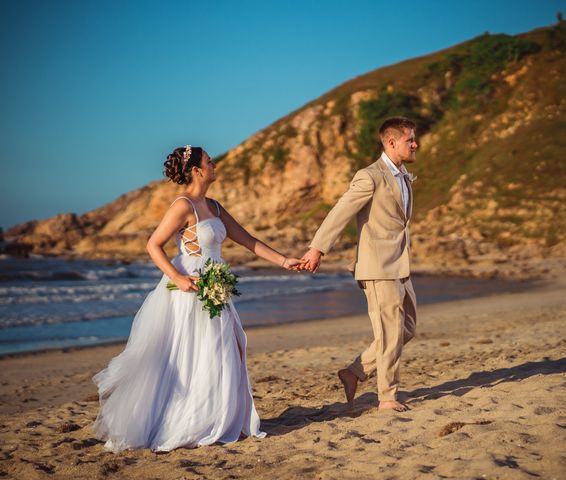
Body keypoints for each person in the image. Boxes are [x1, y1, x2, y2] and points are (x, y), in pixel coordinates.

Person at [93, 145, 304, 452]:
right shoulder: (183, 205)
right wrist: (177, 278)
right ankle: (189, 420)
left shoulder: (215, 207)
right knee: (193, 353)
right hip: (190, 286)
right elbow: (154, 245)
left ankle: (220, 417)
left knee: (225, 349)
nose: (214, 164)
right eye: (209, 161)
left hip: (216, 283)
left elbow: (249, 241)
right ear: (196, 170)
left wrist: (285, 261)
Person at [301, 117, 418, 412]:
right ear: (392, 143)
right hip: (378, 267)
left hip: (400, 264)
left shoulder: (403, 175)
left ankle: (354, 372)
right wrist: (317, 249)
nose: (416, 144)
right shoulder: (370, 176)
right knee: (389, 333)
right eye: (410, 140)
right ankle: (387, 397)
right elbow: (341, 211)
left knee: (407, 329)